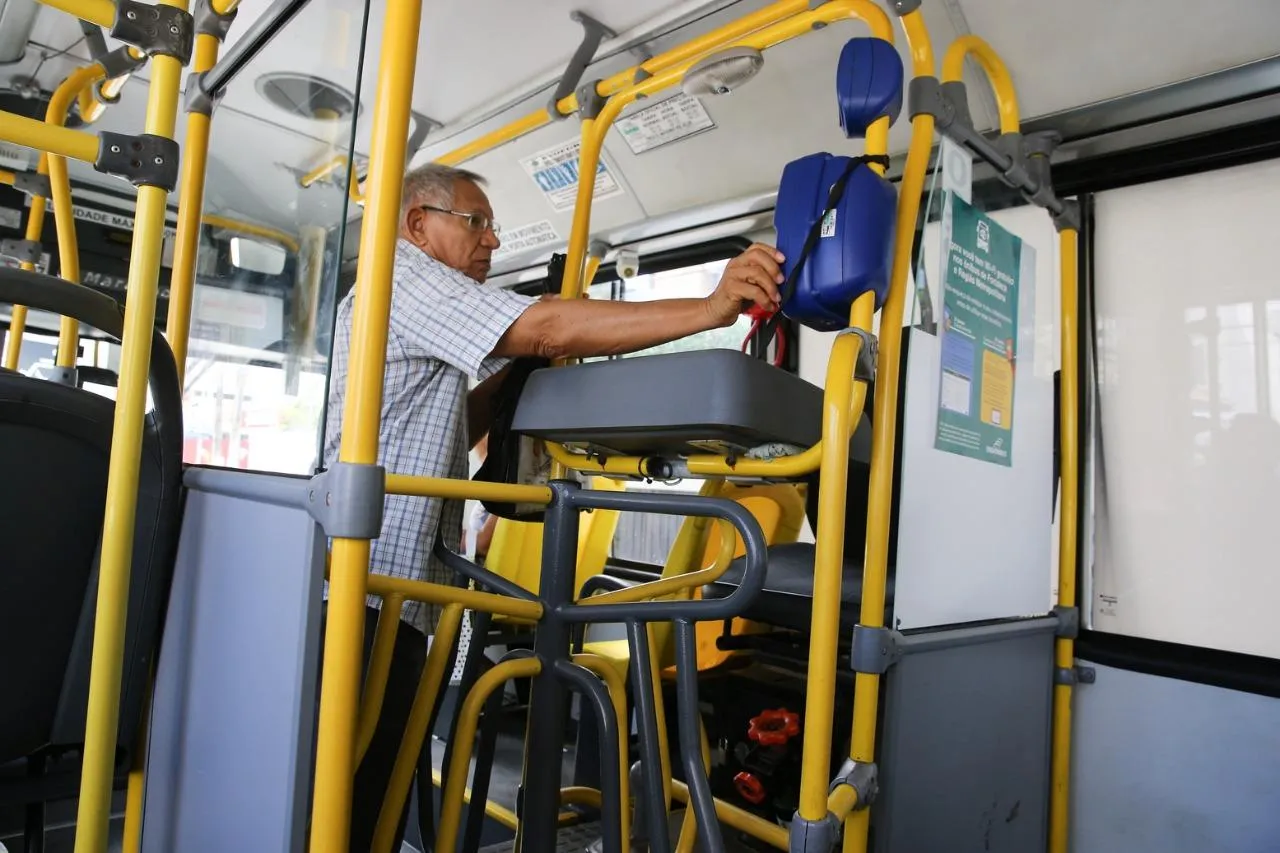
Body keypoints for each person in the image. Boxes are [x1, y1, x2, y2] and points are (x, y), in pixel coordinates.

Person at [318, 162, 785, 850]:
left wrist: (513, 372)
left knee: (372, 789)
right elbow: (549, 329)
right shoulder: (404, 278)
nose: (493, 242)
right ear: (419, 224)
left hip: (393, 593)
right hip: (367, 590)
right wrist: (710, 309)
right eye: (476, 223)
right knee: (345, 799)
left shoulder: (408, 305)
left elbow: (452, 422)